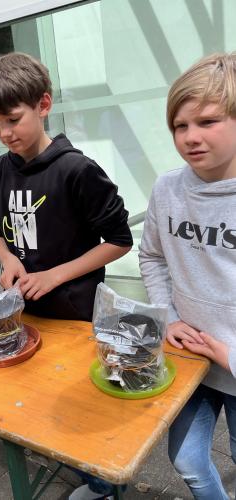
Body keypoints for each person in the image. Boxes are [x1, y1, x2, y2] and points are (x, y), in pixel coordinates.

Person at [0, 52, 133, 500]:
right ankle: (66, 457)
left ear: (43, 104)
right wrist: (8, 260)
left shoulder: (77, 170)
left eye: (13, 119)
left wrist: (53, 275)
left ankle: (102, 482)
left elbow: (119, 239)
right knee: (39, 401)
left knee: (82, 404)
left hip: (77, 314)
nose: (6, 133)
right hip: (26, 313)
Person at [139, 52, 236, 500]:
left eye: (208, 121)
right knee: (187, 460)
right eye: (180, 126)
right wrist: (167, 316)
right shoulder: (167, 188)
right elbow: (153, 257)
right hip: (190, 359)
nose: (190, 138)